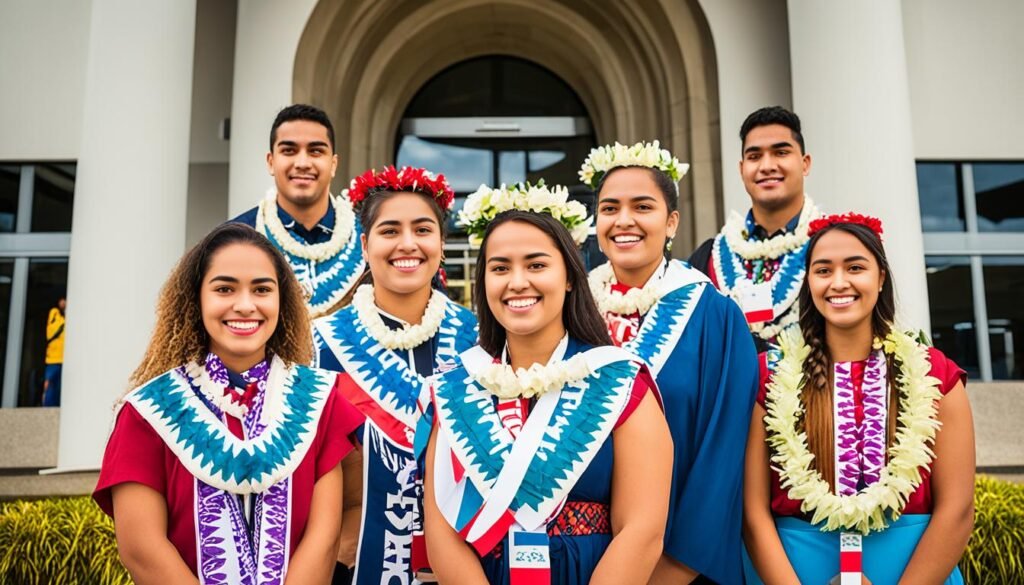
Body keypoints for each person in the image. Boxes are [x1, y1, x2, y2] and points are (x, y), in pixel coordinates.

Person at [421, 186, 674, 584]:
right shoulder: (457, 388)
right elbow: (442, 531)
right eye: (500, 268)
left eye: (536, 265)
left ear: (570, 278)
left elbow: (642, 531)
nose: (517, 282)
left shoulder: (621, 381)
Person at [93, 223, 364, 585]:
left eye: (262, 290)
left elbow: (323, 535)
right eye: (224, 288)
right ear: (197, 298)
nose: (245, 305)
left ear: (281, 301)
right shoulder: (148, 411)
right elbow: (141, 547)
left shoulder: (318, 401)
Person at [743, 214, 975, 584]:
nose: (839, 282)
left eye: (855, 267)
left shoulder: (935, 373)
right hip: (791, 571)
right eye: (823, 270)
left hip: (914, 570)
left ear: (880, 277)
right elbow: (752, 512)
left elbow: (958, 509)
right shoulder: (768, 375)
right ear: (808, 281)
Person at [580, 141, 758, 584]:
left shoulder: (714, 316)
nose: (624, 221)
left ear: (671, 221)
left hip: (679, 565)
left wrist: (671, 571)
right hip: (580, 557)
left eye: (643, 206)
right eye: (609, 208)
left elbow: (723, 456)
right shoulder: (570, 311)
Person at [313, 166, 478, 584]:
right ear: (365, 246)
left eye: (423, 230)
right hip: (355, 566)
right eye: (390, 231)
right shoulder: (320, 347)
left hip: (468, 564)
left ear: (441, 243)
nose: (408, 244)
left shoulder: (481, 341)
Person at [688, 106, 823, 353]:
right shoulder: (709, 259)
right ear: (742, 169)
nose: (767, 165)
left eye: (781, 152)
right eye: (754, 156)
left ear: (805, 164)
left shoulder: (832, 246)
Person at [232, 104, 365, 318]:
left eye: (315, 151)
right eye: (289, 151)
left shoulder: (366, 239)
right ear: (271, 162)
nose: (302, 163)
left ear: (333, 164)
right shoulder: (236, 237)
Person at [43, 296, 66, 406]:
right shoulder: (55, 312)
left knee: (59, 386)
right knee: (51, 383)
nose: (64, 303)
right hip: (53, 357)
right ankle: (47, 405)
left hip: (63, 358)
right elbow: (53, 329)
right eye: (63, 300)